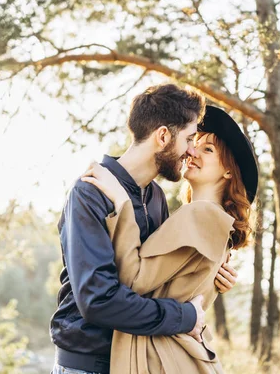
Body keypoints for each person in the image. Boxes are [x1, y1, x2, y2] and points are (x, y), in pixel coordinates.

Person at [50, 85, 239, 374]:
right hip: (88, 364)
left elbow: (157, 284)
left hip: (137, 360)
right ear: (163, 136)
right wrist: (185, 316)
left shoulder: (155, 198)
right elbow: (98, 300)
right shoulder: (90, 194)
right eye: (190, 139)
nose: (191, 151)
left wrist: (210, 276)